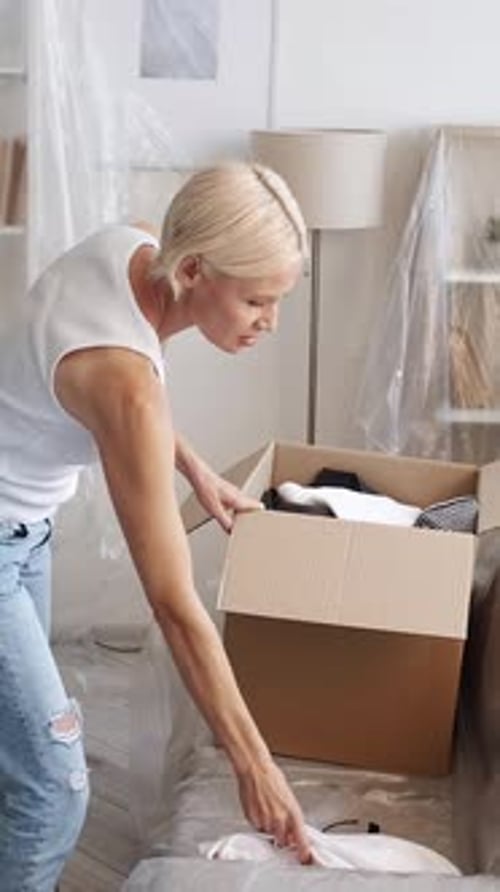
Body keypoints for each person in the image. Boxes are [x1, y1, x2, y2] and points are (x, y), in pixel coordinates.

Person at [0, 161, 311, 891]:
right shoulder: (125, 385)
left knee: (17, 750)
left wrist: (196, 470)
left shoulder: (133, 246)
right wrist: (254, 764)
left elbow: (130, 396)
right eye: (257, 301)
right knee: (55, 789)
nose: (270, 323)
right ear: (196, 269)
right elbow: (174, 607)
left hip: (24, 526)